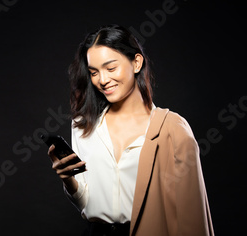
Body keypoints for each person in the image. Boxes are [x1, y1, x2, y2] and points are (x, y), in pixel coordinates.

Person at [47, 24, 214, 236]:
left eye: (111, 68)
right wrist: (68, 179)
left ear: (136, 63)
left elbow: (191, 214)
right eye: (94, 72)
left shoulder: (172, 128)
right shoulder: (82, 125)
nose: (103, 80)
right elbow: (86, 205)